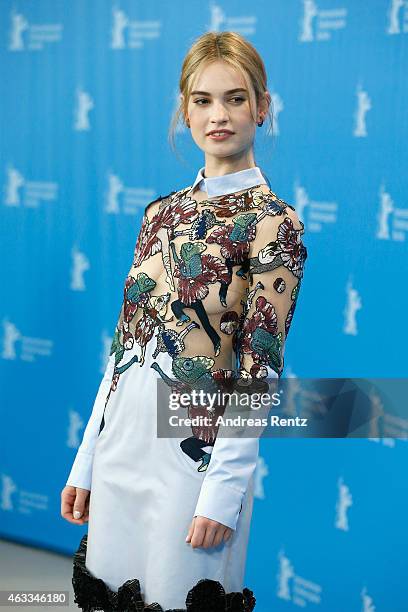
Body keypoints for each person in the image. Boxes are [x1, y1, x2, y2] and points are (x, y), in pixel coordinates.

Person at [61, 31, 308, 611]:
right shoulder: (158, 214)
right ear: (184, 109)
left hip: (193, 454)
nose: (217, 115)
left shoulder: (275, 224)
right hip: (122, 445)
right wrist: (87, 460)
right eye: (202, 100)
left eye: (235, 98)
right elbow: (123, 350)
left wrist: (224, 490)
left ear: (262, 107)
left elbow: (259, 369)